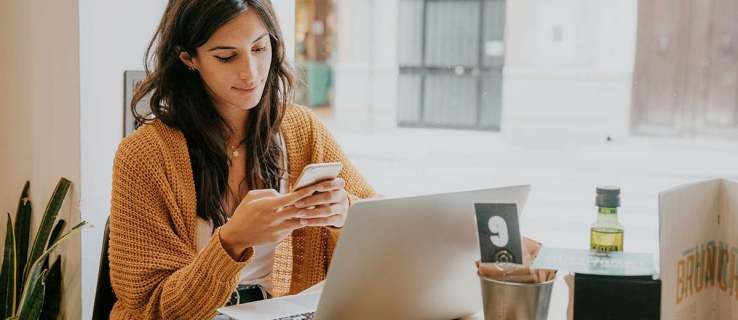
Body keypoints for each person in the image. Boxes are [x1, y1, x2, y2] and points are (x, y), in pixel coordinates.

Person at [108, 0, 375, 318]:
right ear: (188, 58)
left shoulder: (301, 129)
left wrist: (343, 212)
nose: (250, 72)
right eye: (226, 56)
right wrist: (233, 241)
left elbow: (379, 225)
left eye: (260, 49)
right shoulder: (143, 157)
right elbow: (151, 308)